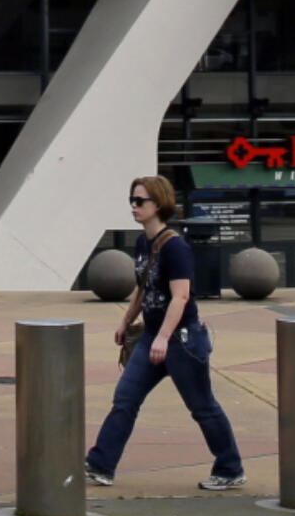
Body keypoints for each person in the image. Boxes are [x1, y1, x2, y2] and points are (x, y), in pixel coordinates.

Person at [85, 174, 245, 491]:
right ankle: (101, 464)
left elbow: (181, 296)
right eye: (132, 199)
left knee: (202, 406)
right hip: (152, 338)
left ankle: (229, 467)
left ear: (158, 204)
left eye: (140, 201)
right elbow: (143, 289)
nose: (133, 206)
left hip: (182, 341)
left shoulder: (176, 248)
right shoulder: (144, 243)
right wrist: (125, 321)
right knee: (125, 398)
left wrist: (162, 338)